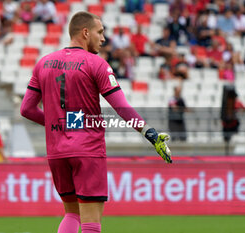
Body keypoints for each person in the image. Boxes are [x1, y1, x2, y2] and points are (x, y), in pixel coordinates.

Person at [20, 11, 172, 233]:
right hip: (87, 150)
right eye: (100, 32)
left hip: (57, 152)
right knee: (91, 221)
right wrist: (150, 133)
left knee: (71, 214)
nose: (103, 38)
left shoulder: (43, 63)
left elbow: (26, 109)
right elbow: (121, 107)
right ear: (85, 32)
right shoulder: (96, 64)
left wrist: (58, 123)